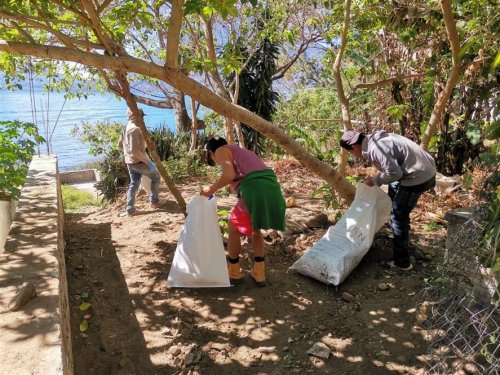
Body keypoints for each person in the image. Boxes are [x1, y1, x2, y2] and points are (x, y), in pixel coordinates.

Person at [339, 130, 436, 271]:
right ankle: (401, 239)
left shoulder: (375, 149)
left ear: (354, 147)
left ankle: (402, 262)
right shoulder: (375, 140)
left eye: (352, 152)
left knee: (398, 217)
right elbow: (390, 166)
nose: (354, 155)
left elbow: (394, 173)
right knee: (393, 198)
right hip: (424, 169)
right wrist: (377, 178)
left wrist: (376, 180)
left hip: (417, 178)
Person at [200, 136, 286, 286]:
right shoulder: (241, 151)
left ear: (211, 152)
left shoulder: (221, 150)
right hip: (271, 187)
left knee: (233, 227)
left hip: (255, 188)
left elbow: (229, 175)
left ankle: (234, 271)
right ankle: (259, 272)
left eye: (210, 156)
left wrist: (210, 189)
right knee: (256, 228)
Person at [118, 108, 161, 216]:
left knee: (134, 184)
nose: (143, 119)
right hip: (139, 163)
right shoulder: (135, 129)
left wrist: (127, 155)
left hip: (129, 163)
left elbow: (119, 145)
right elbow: (134, 151)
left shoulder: (125, 128)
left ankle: (130, 209)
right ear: (137, 116)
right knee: (156, 177)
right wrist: (148, 162)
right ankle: (154, 202)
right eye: (142, 116)